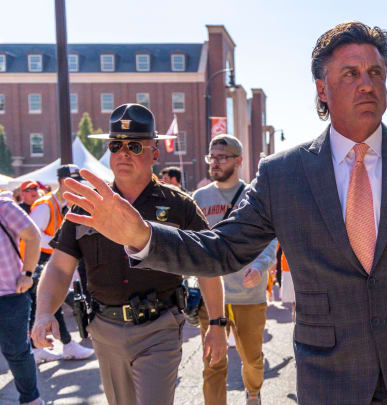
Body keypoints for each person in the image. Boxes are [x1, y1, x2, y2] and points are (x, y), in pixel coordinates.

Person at [62, 22, 387, 404]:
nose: (367, 83)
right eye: (350, 74)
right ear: (321, 89)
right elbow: (222, 250)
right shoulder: (284, 173)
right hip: (330, 374)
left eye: (376, 72)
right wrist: (143, 235)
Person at [31, 103, 227, 405]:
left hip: (159, 326)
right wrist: (43, 312)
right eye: (116, 144)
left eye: (134, 145)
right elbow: (59, 266)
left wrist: (216, 323)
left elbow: (207, 265)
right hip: (104, 330)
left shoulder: (179, 205)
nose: (123, 152)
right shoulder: (87, 206)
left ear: (154, 154)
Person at [192, 134, 278, 405]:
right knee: (212, 363)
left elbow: (269, 236)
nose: (214, 163)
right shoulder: (199, 198)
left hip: (248, 294)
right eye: (212, 157)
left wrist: (260, 265)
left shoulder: (254, 196)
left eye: (222, 157)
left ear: (238, 161)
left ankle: (253, 392)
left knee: (252, 359)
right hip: (210, 295)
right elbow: (192, 241)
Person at [28, 164, 94, 364]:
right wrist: (65, 244)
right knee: (49, 303)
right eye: (76, 183)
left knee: (50, 305)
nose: (79, 188)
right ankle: (62, 344)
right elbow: (32, 237)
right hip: (38, 261)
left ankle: (59, 345)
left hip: (50, 260)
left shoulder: (63, 205)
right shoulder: (45, 205)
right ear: (65, 182)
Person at [0, 197, 44, 405]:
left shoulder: (3, 207)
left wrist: (28, 273)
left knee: (17, 351)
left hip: (9, 294)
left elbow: (34, 236)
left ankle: (31, 399)